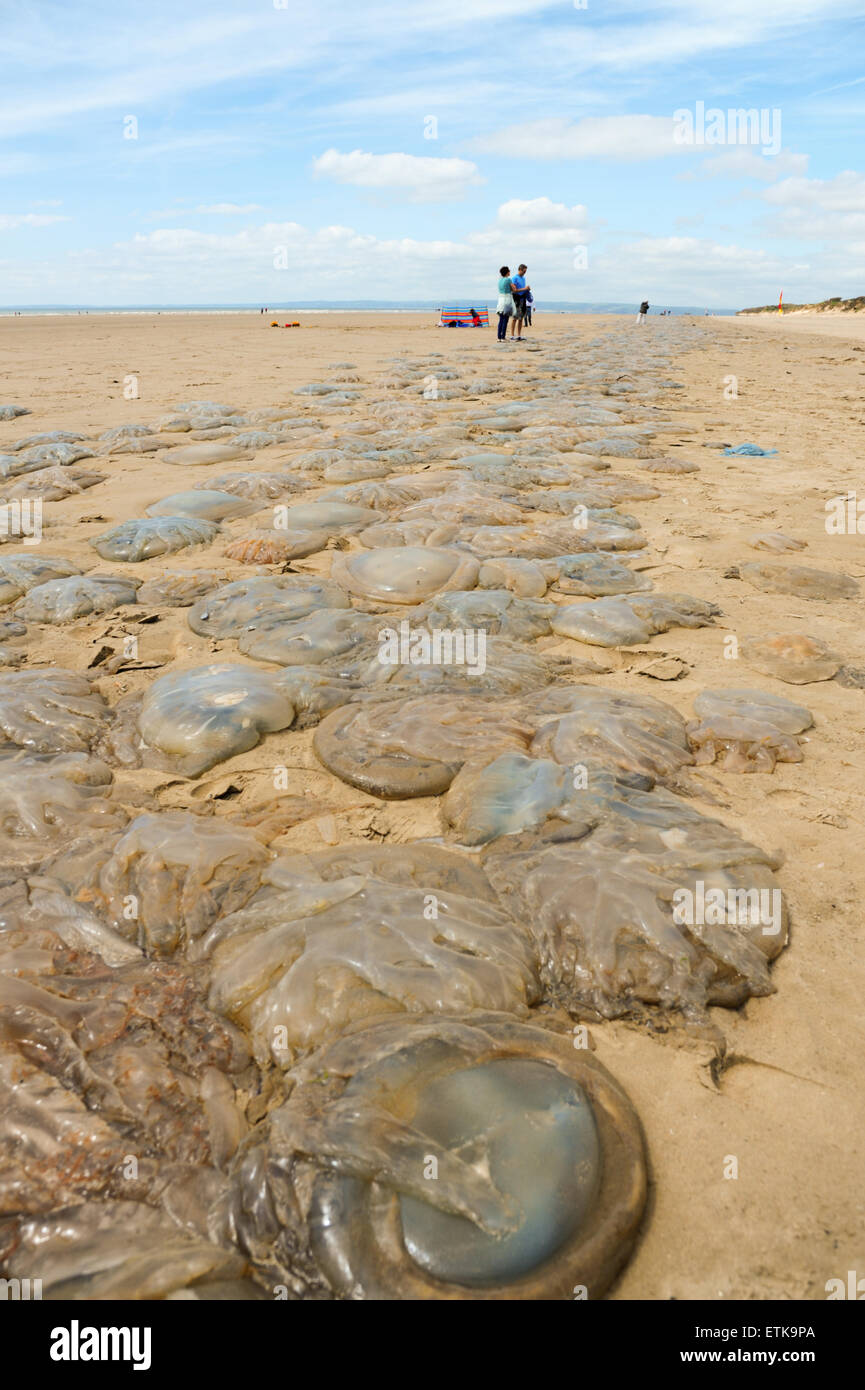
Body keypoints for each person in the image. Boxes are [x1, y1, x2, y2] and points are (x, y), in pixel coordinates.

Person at [510, 263, 528, 340]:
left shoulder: (524, 278)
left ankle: (519, 335)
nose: (524, 273)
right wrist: (525, 289)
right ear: (519, 270)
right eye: (524, 271)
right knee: (515, 318)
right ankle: (512, 335)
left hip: (523, 299)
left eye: (525, 272)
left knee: (521, 318)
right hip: (516, 299)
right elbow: (514, 290)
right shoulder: (514, 278)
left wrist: (527, 290)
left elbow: (523, 289)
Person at [496, 266, 515, 341]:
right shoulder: (508, 279)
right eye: (509, 271)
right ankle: (503, 337)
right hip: (507, 300)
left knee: (501, 319)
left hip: (500, 300)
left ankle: (499, 337)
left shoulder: (499, 280)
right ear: (507, 272)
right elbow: (514, 289)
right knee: (505, 319)